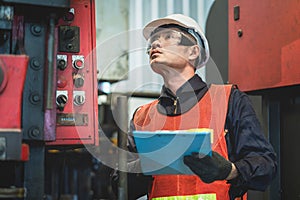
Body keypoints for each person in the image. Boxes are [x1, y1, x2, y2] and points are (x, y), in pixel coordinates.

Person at [124, 14, 277, 200]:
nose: (155, 44)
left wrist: (229, 171)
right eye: (153, 41)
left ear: (193, 52)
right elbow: (121, 184)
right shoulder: (142, 116)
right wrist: (138, 170)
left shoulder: (229, 100)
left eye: (168, 37)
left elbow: (266, 165)